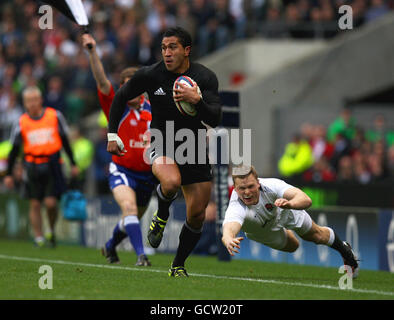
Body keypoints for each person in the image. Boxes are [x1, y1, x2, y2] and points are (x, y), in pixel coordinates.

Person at [107, 27, 222, 277]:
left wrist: (197, 100)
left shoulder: (205, 77)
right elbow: (120, 97)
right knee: (170, 182)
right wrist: (112, 135)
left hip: (193, 146)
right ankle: (161, 216)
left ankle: (177, 265)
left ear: (187, 50)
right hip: (161, 140)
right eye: (163, 48)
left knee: (197, 216)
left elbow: (215, 118)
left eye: (173, 48)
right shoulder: (151, 74)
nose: (167, 53)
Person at [82, 33, 155, 267]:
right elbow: (102, 82)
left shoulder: (155, 109)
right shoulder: (116, 106)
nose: (130, 91)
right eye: (126, 87)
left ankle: (111, 246)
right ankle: (141, 256)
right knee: (130, 208)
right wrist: (92, 51)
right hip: (122, 170)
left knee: (130, 218)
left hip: (148, 175)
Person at [222, 164, 359, 278]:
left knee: (317, 236)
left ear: (258, 183)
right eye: (242, 188)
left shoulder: (272, 185)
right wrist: (228, 239)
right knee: (293, 246)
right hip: (261, 229)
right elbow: (229, 228)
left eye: (251, 186)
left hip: (283, 209)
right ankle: (285, 231)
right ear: (235, 188)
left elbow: (306, 199)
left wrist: (291, 204)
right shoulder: (236, 205)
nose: (247, 192)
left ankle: (344, 249)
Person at [3, 86, 79, 248]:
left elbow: (65, 140)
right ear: (24, 103)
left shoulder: (54, 116)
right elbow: (14, 149)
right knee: (35, 203)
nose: (31, 104)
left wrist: (73, 163)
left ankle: (50, 229)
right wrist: (9, 173)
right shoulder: (21, 121)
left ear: (40, 100)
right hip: (32, 165)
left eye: (34, 100)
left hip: (52, 163)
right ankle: (38, 238)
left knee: (51, 203)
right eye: (28, 101)